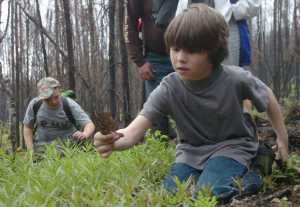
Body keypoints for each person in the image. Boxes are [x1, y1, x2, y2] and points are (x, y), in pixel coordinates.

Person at [94, 4, 288, 203]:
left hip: (233, 147)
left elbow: (268, 96)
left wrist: (282, 137)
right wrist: (114, 140)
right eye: (175, 49)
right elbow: (134, 130)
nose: (180, 58)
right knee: (171, 194)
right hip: (190, 154)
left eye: (192, 51)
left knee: (210, 193)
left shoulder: (236, 79)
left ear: (214, 51)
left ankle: (258, 166)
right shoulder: (169, 87)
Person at [125, 0, 178, 138]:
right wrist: (140, 61)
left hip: (189, 53)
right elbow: (130, 24)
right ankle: (160, 155)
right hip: (156, 58)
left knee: (189, 107)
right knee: (157, 116)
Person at [23, 77, 95, 152]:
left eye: (56, 97)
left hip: (68, 152)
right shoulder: (35, 105)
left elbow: (89, 124)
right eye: (48, 99)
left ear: (59, 90)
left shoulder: (69, 105)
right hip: (42, 152)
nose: (53, 102)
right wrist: (30, 151)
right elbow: (28, 127)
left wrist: (85, 134)